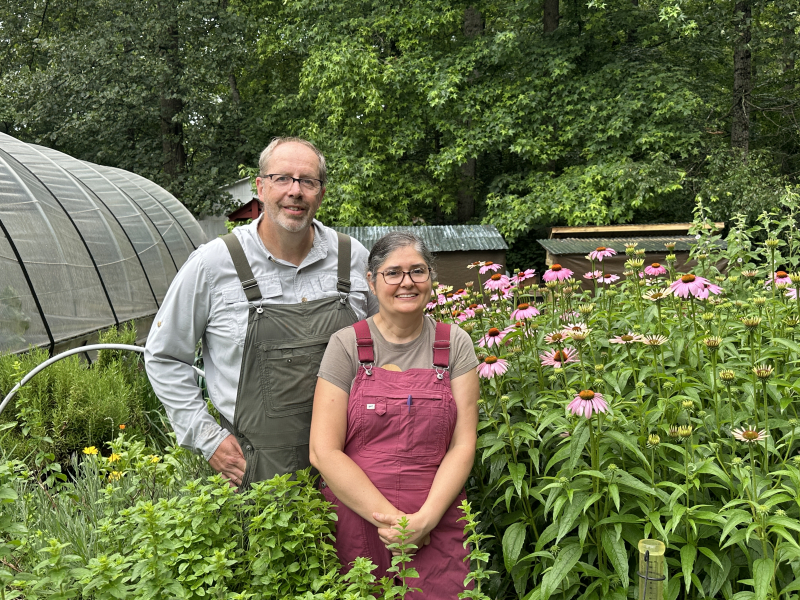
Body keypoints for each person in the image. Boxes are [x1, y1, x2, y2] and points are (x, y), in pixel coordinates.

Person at [145, 137, 378, 488]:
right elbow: (164, 356)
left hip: (349, 471)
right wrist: (209, 439)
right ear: (260, 187)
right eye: (282, 178)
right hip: (255, 476)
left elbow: (390, 343)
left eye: (307, 181)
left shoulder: (353, 259)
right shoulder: (214, 264)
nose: (295, 191)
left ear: (321, 192)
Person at [309, 231, 480, 599]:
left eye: (418, 271)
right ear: (371, 281)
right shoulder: (347, 345)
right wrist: (397, 525)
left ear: (431, 279)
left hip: (436, 516)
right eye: (393, 272)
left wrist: (425, 520)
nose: (407, 282)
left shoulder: (455, 344)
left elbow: (463, 444)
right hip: (359, 517)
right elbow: (323, 451)